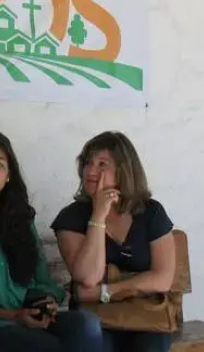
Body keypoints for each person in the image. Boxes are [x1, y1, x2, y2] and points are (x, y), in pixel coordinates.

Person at [0, 131, 103, 352]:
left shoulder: (19, 221)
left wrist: (47, 301)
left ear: (8, 175)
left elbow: (43, 280)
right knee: (48, 346)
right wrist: (14, 316)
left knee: (86, 325)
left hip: (29, 316)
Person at [51, 131, 176, 352]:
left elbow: (163, 279)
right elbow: (88, 277)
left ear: (124, 171)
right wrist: (98, 216)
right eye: (88, 163)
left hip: (146, 317)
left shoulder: (151, 212)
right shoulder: (71, 217)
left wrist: (105, 292)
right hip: (95, 319)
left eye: (102, 164)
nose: (91, 171)